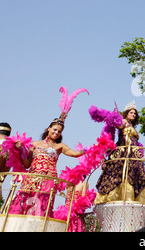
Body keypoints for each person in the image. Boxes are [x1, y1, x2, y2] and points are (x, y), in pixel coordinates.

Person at [8, 87, 88, 216]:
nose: (56, 133)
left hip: (48, 179)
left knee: (41, 208)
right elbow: (27, 164)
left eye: (59, 131)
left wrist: (89, 149)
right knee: (24, 205)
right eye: (54, 129)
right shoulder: (34, 144)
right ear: (49, 129)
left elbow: (75, 154)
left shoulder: (60, 146)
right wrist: (21, 150)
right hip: (32, 178)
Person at [94, 101, 145, 204]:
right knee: (119, 173)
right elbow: (116, 123)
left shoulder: (131, 125)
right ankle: (116, 196)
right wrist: (109, 116)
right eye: (131, 112)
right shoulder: (124, 122)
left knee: (132, 174)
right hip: (124, 152)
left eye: (135, 113)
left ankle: (131, 197)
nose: (133, 114)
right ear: (126, 113)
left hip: (133, 154)